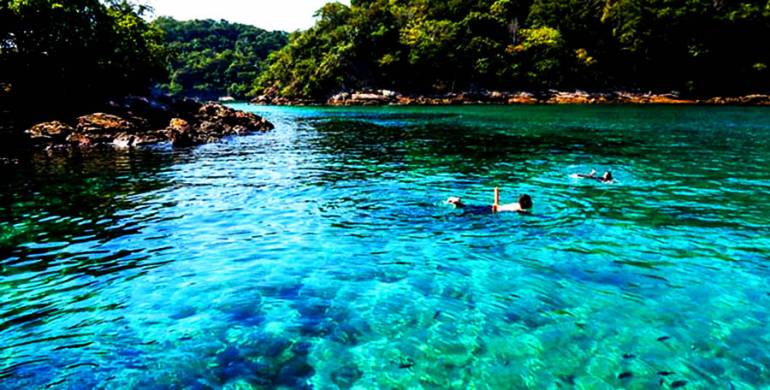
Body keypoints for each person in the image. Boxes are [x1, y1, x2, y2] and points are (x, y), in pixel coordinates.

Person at [447, 188, 532, 214]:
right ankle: (456, 203)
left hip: (491, 207)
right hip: (492, 210)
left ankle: (456, 202)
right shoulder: (520, 209)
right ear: (526, 203)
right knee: (470, 212)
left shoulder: (515, 204)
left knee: (470, 208)